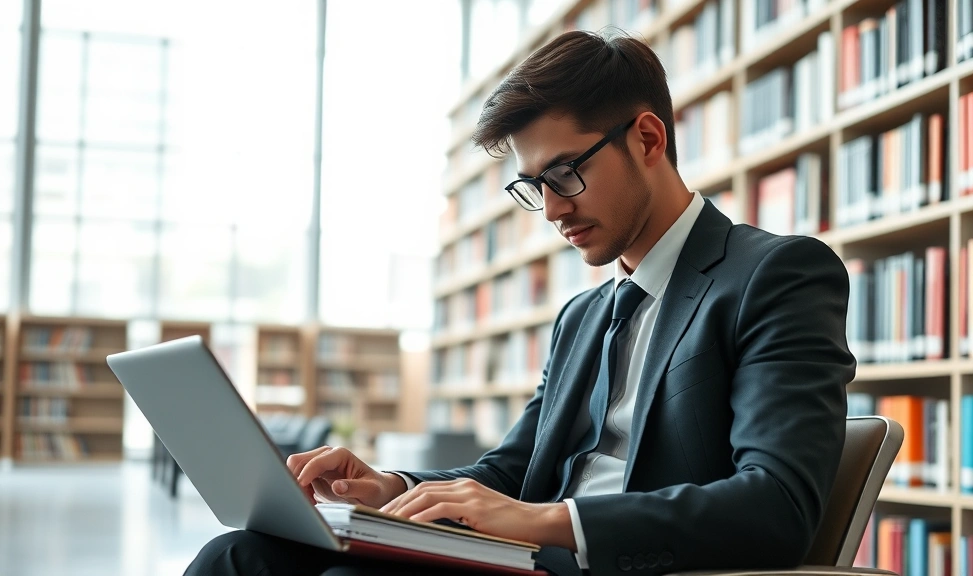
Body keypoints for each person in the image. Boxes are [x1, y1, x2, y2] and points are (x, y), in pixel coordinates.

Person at [186, 29, 855, 576]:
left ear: (648, 140)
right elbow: (513, 469)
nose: (554, 209)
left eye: (566, 173)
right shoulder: (583, 317)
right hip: (527, 557)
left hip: (618, 563)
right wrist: (390, 489)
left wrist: (547, 521)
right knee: (237, 557)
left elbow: (776, 505)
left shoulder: (776, 275)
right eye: (535, 186)